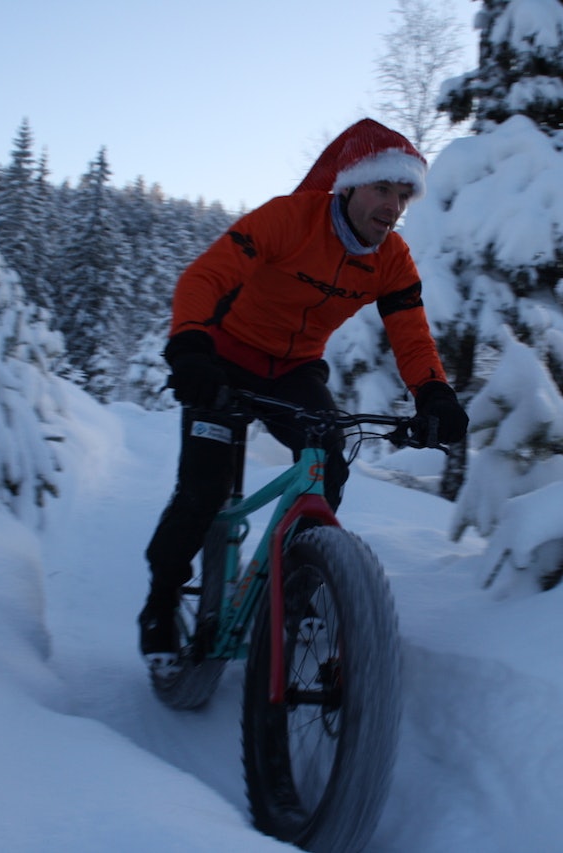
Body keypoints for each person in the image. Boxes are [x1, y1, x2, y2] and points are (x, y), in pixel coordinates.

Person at [140, 118, 468, 666]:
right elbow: (204, 278)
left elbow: (411, 333)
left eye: (403, 193)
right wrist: (191, 347)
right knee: (203, 490)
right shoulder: (288, 220)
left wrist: (434, 394)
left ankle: (298, 578)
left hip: (294, 369)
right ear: (350, 186)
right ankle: (161, 597)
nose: (392, 206)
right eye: (381, 189)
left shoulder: (392, 260)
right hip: (222, 358)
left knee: (327, 464)